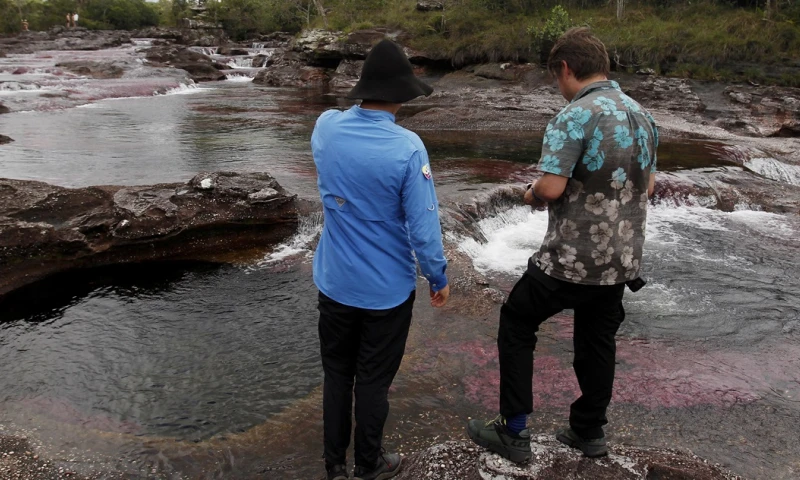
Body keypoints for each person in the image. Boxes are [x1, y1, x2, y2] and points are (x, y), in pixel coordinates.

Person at [467, 27, 658, 462]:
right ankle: (587, 431)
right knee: (596, 341)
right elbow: (647, 185)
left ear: (566, 69)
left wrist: (530, 192)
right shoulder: (642, 115)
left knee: (517, 322)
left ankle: (513, 431)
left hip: (568, 260)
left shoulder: (574, 115)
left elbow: (551, 189)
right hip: (619, 261)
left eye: (556, 77)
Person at [311, 39, 450, 480]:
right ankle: (368, 464)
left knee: (337, 375)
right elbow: (424, 228)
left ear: (363, 86)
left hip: (334, 282)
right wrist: (437, 276)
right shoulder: (408, 148)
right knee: (372, 380)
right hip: (385, 292)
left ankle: (334, 465)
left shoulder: (325, 129)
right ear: (404, 94)